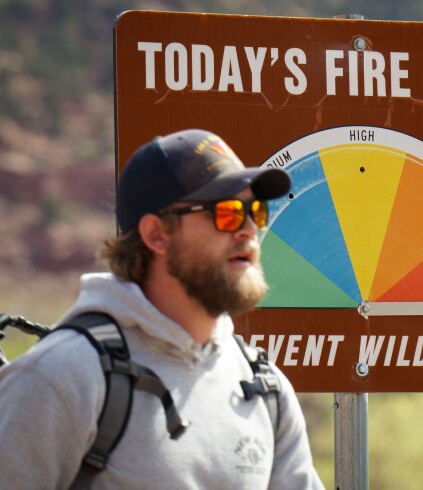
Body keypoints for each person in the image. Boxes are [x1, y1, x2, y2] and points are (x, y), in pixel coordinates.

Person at [0, 129, 325, 489]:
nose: (249, 229)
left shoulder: (266, 388)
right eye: (228, 213)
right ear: (156, 234)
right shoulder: (60, 377)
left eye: (256, 211)